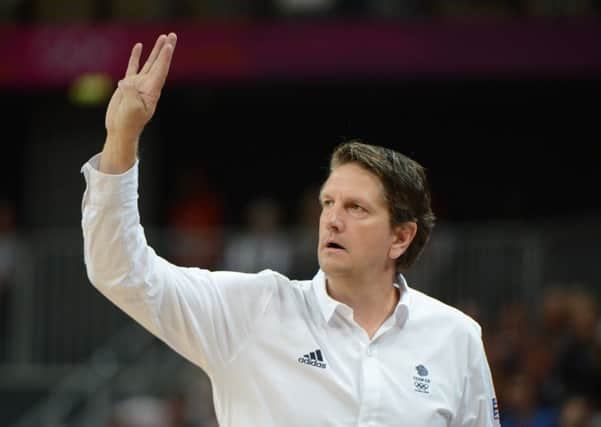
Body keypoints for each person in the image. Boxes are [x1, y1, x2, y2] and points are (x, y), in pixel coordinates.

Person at [81, 33, 501, 426]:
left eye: (356, 208)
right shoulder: (253, 310)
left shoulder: (456, 337)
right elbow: (121, 271)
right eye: (328, 203)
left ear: (401, 236)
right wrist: (122, 138)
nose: (333, 219)